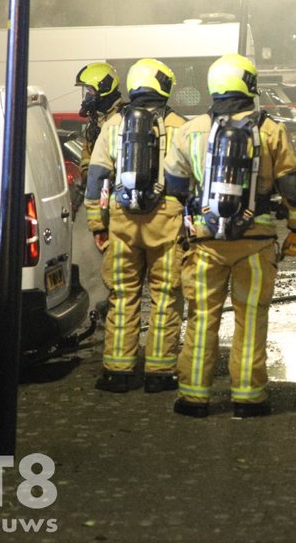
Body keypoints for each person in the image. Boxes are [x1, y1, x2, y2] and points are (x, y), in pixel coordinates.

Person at [163, 53, 296, 418]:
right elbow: (292, 188)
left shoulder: (190, 129)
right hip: (255, 243)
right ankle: (249, 398)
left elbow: (175, 186)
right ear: (249, 85)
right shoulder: (271, 129)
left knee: (201, 318)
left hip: (204, 244)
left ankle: (193, 398)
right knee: (251, 319)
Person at [86, 59, 187, 393]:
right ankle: (160, 372)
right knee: (166, 296)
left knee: (122, 295)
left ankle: (117, 371)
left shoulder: (114, 124)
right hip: (167, 219)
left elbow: (97, 177)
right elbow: (192, 180)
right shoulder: (180, 126)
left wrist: (97, 224)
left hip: (122, 219)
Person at [76, 62, 126, 251]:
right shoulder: (96, 120)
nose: (87, 96)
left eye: (90, 90)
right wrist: (87, 173)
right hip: (100, 197)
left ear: (103, 88)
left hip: (119, 201)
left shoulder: (122, 119)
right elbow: (87, 151)